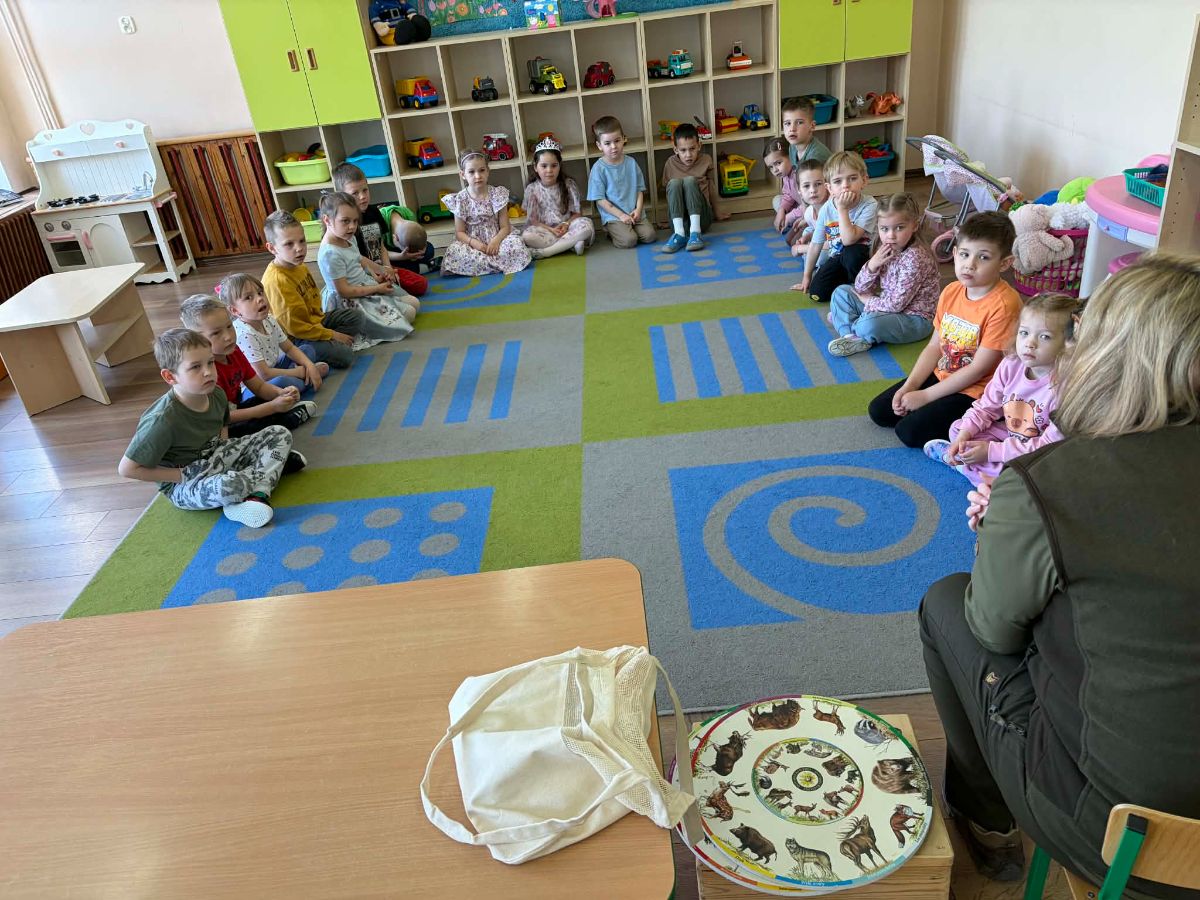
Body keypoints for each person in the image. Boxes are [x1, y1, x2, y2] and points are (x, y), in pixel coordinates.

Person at [919, 253, 1200, 897]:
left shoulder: (1053, 478)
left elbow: (993, 627)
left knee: (946, 603)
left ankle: (987, 821)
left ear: (1106, 356)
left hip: (1129, 838)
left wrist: (1000, 536)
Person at [117, 328, 302, 529]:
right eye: (195, 367)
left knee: (279, 433)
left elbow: (222, 423)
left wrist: (226, 450)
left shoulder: (216, 393)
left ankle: (257, 493)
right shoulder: (162, 420)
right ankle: (263, 474)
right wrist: (182, 475)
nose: (208, 372)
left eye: (210, 362)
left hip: (217, 457)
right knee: (229, 485)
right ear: (170, 377)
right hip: (185, 483)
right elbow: (127, 469)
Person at [868, 211, 1020, 448]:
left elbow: (979, 369)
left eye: (983, 257)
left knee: (908, 432)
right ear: (955, 253)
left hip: (978, 391)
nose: (970, 265)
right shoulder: (951, 291)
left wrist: (925, 396)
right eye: (965, 254)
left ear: (1004, 263)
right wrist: (910, 386)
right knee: (880, 411)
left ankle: (988, 425)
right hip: (945, 373)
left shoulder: (1005, 305)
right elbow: (934, 347)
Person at [924, 292, 1078, 483]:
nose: (1030, 343)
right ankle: (983, 471)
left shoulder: (1066, 386)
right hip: (1011, 435)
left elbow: (1049, 445)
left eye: (1045, 336)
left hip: (1042, 452)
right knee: (958, 429)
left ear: (1068, 344)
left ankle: (971, 470)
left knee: (1041, 474)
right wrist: (964, 437)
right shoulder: (1011, 364)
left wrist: (991, 451)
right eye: (1024, 333)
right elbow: (985, 408)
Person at [179, 294, 316, 438]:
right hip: (218, 426)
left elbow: (259, 387)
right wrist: (272, 407)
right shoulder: (206, 371)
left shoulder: (234, 352)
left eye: (229, 326)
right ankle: (287, 420)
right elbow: (225, 417)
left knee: (270, 398)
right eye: (216, 333)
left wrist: (280, 393)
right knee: (255, 425)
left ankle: (283, 411)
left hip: (235, 408)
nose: (228, 336)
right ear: (197, 339)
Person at [827, 192, 939, 357]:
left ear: (914, 225)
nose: (890, 235)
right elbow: (860, 288)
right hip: (887, 308)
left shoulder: (916, 258)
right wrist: (872, 265)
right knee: (841, 293)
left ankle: (851, 323)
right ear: (878, 227)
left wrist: (868, 301)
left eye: (899, 228)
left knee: (869, 323)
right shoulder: (884, 247)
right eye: (884, 229)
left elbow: (896, 305)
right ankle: (850, 336)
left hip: (914, 319)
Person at [260, 209, 371, 370]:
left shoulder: (299, 265)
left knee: (357, 317)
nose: (299, 248)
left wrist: (325, 332)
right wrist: (332, 335)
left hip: (314, 324)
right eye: (289, 244)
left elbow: (315, 303)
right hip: (296, 339)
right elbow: (296, 329)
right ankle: (301, 358)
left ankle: (324, 347)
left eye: (302, 241)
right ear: (272, 248)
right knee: (346, 355)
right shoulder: (278, 281)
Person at [317, 191, 417, 347]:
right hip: (350, 300)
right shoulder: (330, 254)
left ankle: (392, 306)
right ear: (327, 220)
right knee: (410, 312)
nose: (352, 226)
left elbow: (360, 259)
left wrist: (382, 271)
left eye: (355, 221)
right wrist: (377, 288)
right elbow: (344, 291)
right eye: (345, 221)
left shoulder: (348, 237)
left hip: (364, 285)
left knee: (414, 303)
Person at [332, 161, 438, 297]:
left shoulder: (373, 212)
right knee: (419, 285)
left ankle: (416, 267)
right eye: (355, 193)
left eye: (365, 190)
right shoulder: (345, 224)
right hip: (364, 272)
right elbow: (356, 260)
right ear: (342, 195)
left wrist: (388, 267)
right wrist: (381, 272)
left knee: (427, 249)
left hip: (382, 263)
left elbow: (381, 246)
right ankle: (424, 267)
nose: (362, 196)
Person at [218, 272, 328, 396]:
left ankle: (307, 375)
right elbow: (264, 375)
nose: (260, 298)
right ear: (234, 310)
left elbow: (289, 348)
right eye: (248, 297)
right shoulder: (245, 334)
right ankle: (305, 379)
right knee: (282, 381)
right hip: (259, 384)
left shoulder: (269, 319)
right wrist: (300, 372)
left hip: (275, 368)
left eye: (260, 292)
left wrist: (308, 365)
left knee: (307, 349)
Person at [792, 151, 878, 300]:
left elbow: (849, 240)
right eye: (838, 181)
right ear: (830, 188)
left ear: (864, 180)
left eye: (852, 178)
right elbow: (815, 244)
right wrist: (806, 276)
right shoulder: (826, 208)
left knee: (852, 253)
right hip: (838, 256)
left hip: (864, 258)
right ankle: (850, 285)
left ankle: (865, 289)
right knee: (817, 293)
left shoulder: (869, 205)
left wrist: (842, 209)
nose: (845, 185)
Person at [441, 149, 532, 276]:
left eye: (482, 170)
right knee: (455, 252)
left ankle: (485, 265)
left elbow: (505, 227)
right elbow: (460, 233)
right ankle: (496, 264)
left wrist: (496, 241)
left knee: (516, 245)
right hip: (473, 243)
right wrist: (475, 244)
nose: (478, 176)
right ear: (463, 174)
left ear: (488, 171)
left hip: (498, 238)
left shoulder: (497, 194)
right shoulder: (460, 200)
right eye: (471, 172)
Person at [587, 115, 656, 249]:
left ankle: (629, 229)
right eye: (607, 143)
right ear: (599, 146)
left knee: (650, 236)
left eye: (617, 141)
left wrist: (638, 210)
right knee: (629, 241)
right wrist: (621, 215)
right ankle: (612, 232)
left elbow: (639, 190)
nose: (613, 146)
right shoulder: (598, 168)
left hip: (634, 212)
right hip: (614, 216)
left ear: (624, 139)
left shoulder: (631, 163)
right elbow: (600, 200)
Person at [520, 136, 594, 259]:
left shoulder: (568, 184)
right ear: (535, 167)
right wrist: (552, 230)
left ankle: (547, 252)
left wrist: (566, 224)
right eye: (544, 166)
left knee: (586, 225)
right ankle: (570, 245)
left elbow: (577, 213)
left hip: (568, 227)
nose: (549, 170)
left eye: (554, 165)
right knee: (527, 236)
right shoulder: (532, 189)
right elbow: (533, 221)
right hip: (546, 230)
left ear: (560, 166)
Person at [660, 122, 727, 253]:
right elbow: (669, 193)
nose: (688, 155)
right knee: (674, 183)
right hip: (680, 221)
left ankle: (695, 233)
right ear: (676, 150)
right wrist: (670, 217)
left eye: (692, 149)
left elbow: (711, 187)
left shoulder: (706, 160)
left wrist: (717, 212)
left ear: (699, 146)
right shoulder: (670, 163)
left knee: (690, 181)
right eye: (683, 150)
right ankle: (679, 233)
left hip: (701, 218)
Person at [771, 96, 832, 214]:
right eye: (787, 123)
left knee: (792, 214)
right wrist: (783, 210)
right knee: (777, 201)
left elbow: (818, 195)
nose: (792, 129)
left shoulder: (816, 155)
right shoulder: (792, 147)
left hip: (821, 202)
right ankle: (797, 214)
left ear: (812, 126)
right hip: (805, 196)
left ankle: (802, 217)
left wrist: (792, 216)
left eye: (799, 122)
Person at [787, 159, 829, 259]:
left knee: (821, 256)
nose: (813, 190)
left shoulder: (832, 209)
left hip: (838, 247)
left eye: (818, 184)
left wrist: (802, 249)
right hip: (823, 241)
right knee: (806, 232)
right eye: (806, 186)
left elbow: (836, 243)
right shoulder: (809, 213)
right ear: (799, 190)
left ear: (827, 185)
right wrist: (806, 237)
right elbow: (820, 232)